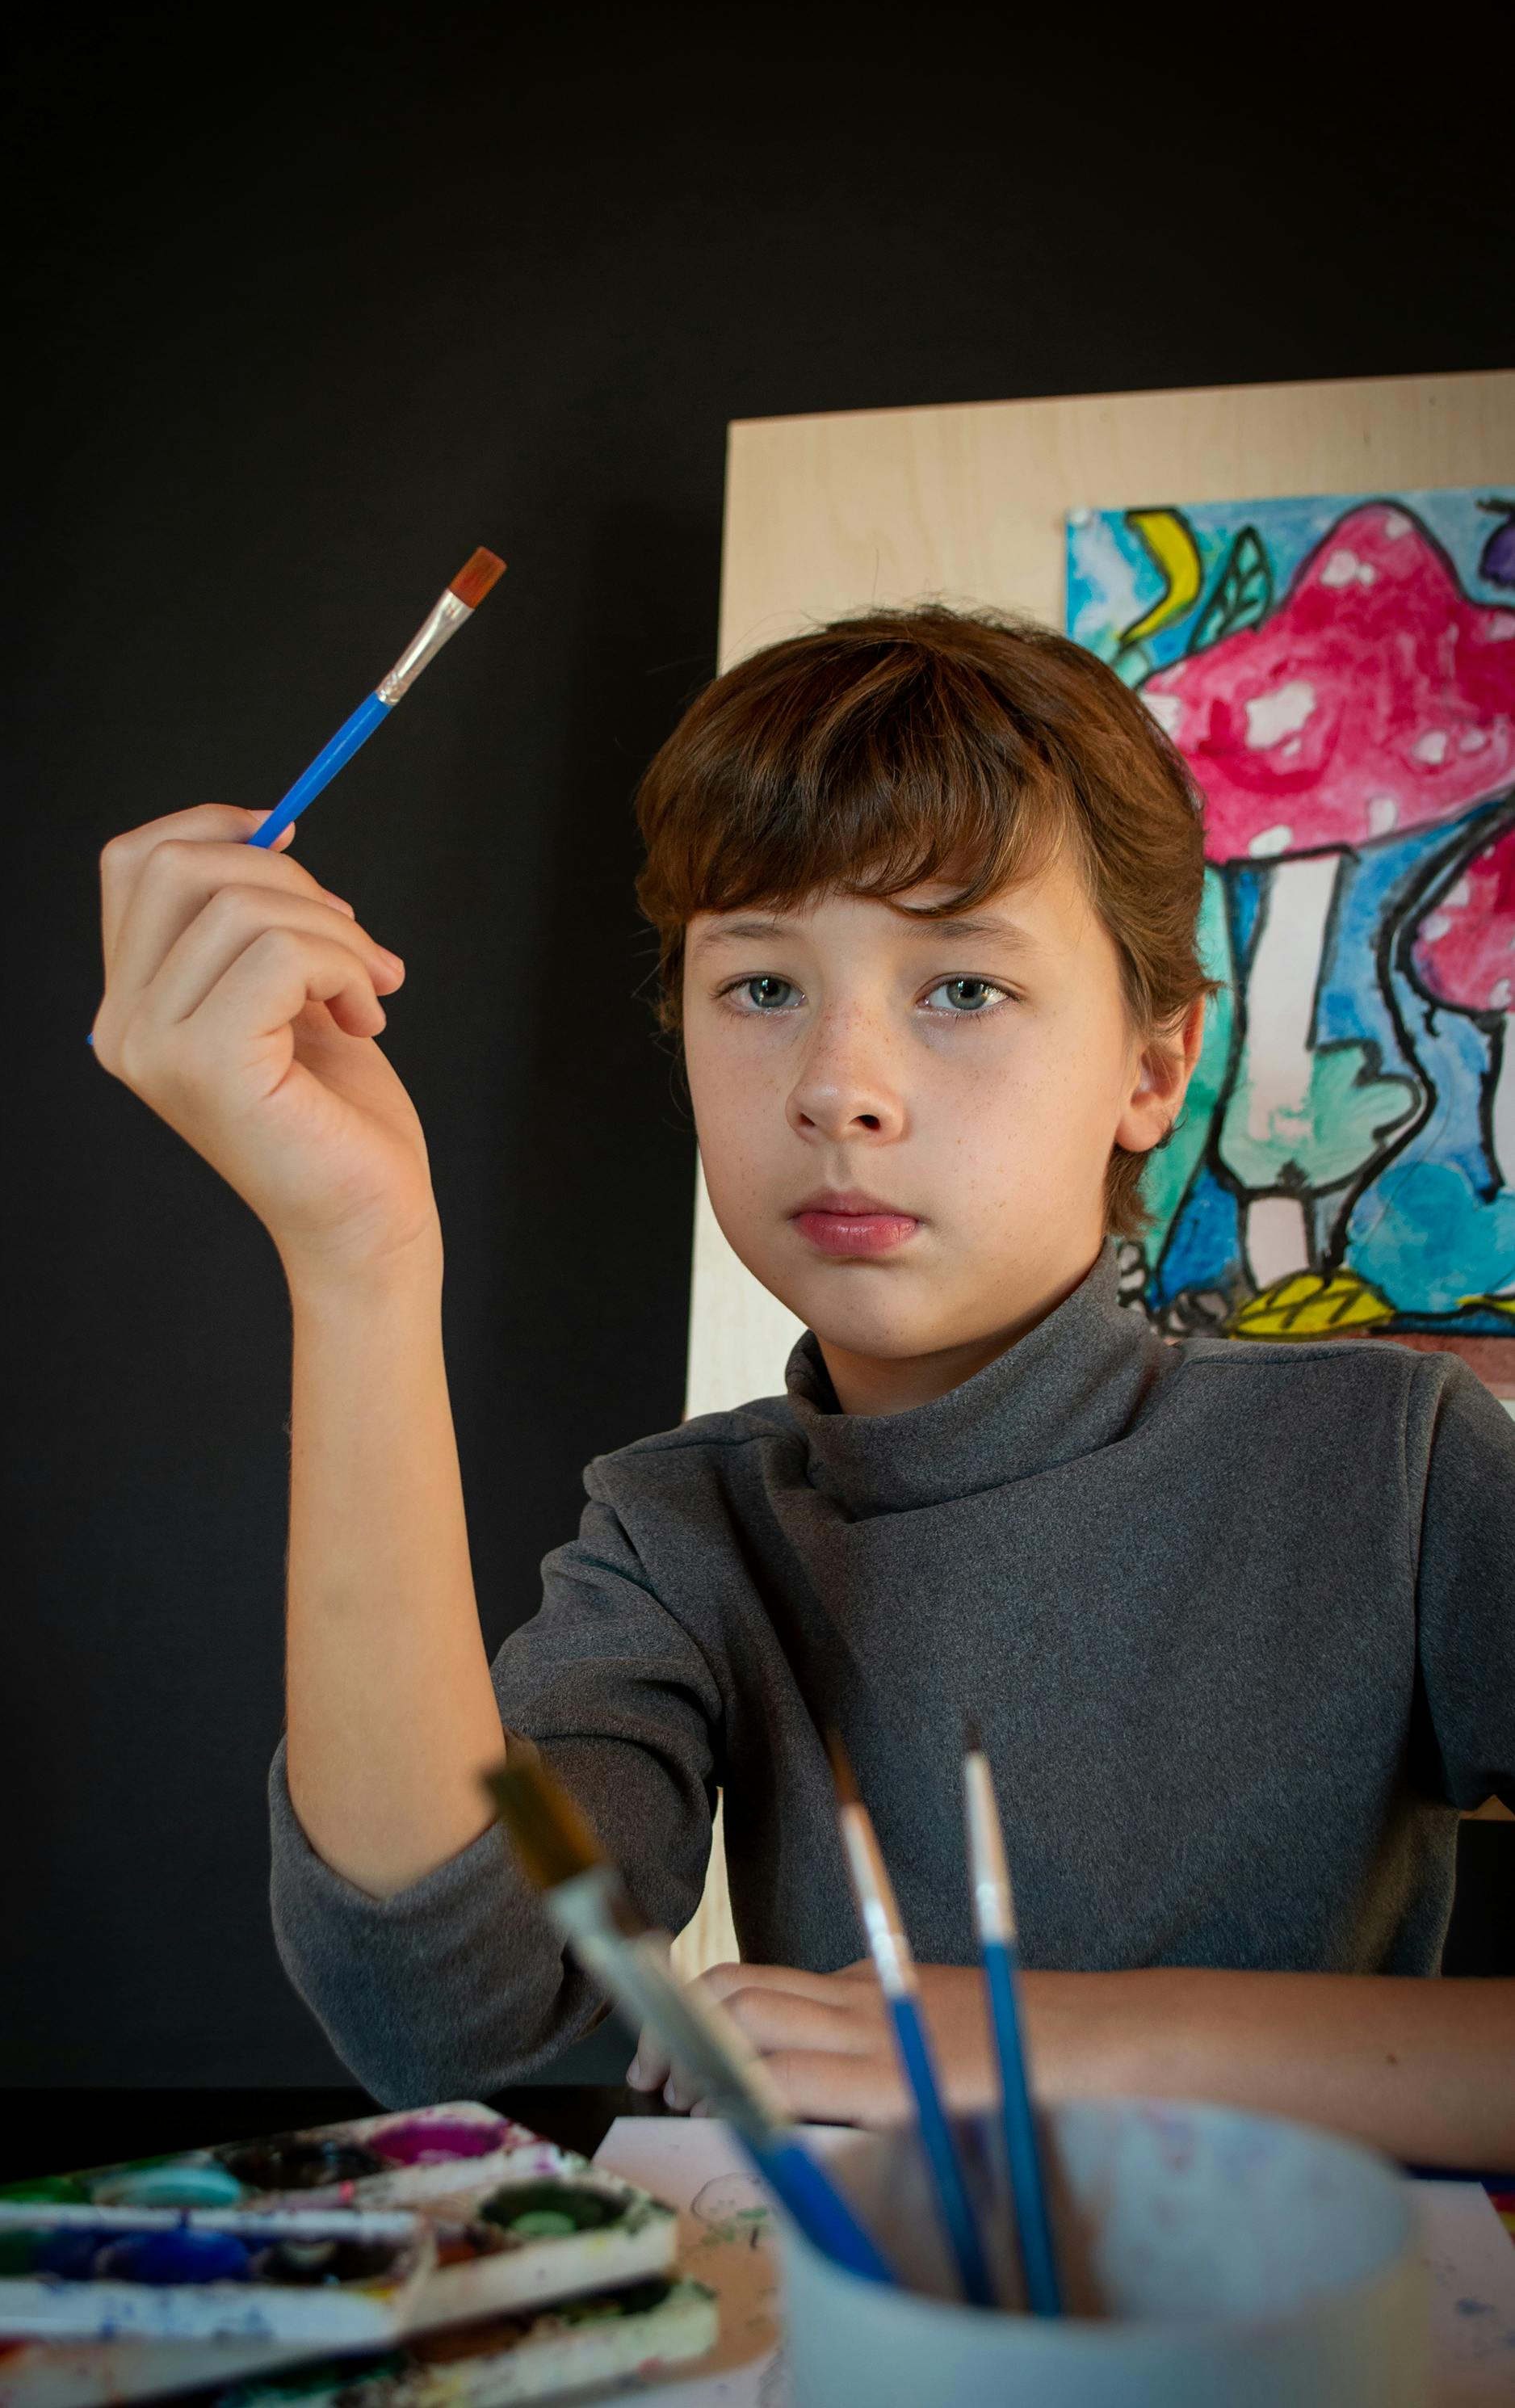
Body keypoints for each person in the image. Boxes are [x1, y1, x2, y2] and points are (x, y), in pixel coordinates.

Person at [92, 606, 1515, 2167]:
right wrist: (359, 1258)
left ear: (1153, 1068)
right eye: (761, 987)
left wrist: (1052, 2040)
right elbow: (446, 2009)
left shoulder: (1389, 1465)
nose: (839, 1085)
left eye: (961, 988)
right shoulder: (678, 1530)